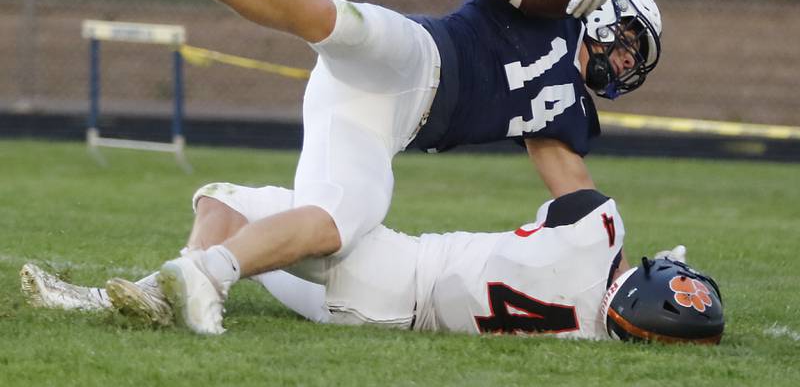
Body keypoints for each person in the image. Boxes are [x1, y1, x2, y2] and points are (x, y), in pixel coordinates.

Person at [124, 0, 663, 334]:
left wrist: (621, 281)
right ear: (608, 8)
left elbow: (584, 213)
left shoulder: (567, 114)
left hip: (383, 122)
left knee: (337, 224)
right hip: (420, 56)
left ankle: (197, 275)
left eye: (635, 62)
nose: (625, 64)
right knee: (342, 23)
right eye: (632, 45)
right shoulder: (553, 1)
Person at [21, 187, 723, 343]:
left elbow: (561, 204)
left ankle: (119, 297)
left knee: (222, 200)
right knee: (243, 254)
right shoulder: (592, 336)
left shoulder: (600, 229)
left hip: (388, 261)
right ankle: (172, 288)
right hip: (378, 316)